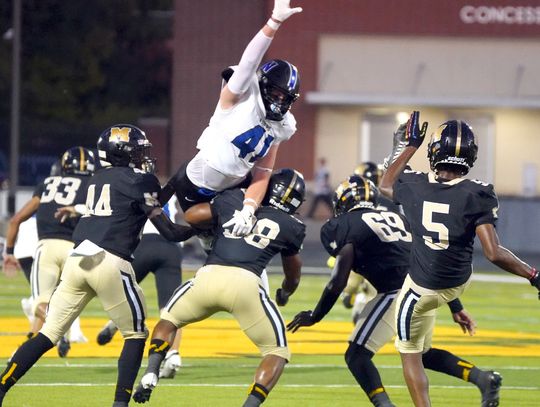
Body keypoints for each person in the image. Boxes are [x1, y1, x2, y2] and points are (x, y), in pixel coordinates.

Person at [0, 124, 194, 407]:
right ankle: (119, 404)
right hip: (110, 260)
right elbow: (168, 231)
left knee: (47, 334)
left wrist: (173, 184)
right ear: (123, 153)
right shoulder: (141, 181)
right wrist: (201, 231)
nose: (143, 156)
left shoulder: (95, 179)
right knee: (135, 334)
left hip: (77, 261)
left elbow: (137, 202)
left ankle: (3, 386)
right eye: (138, 151)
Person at [287, 174, 501, 407]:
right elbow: (426, 259)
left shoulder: (342, 224)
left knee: (357, 355)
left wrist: (315, 315)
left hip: (396, 294)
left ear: (342, 203)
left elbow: (338, 281)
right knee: (420, 354)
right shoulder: (399, 218)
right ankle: (481, 377)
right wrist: (456, 306)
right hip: (425, 288)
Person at [378, 111, 540, 407]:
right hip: (455, 282)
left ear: (434, 150)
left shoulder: (415, 184)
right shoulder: (477, 193)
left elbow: (386, 184)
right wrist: (533, 275)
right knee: (422, 350)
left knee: (409, 354)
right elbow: (493, 252)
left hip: (420, 289)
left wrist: (408, 146)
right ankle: (482, 378)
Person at [132, 168, 306, 407]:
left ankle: (152, 371)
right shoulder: (292, 225)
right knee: (277, 351)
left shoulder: (234, 199)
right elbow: (293, 274)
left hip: (209, 276)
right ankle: (250, 405)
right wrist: (285, 292)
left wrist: (214, 220)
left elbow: (193, 216)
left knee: (169, 318)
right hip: (246, 285)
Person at [159, 0, 302, 239]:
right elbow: (249, 62)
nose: (279, 101)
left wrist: (248, 209)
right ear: (263, 85)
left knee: (236, 239)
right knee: (186, 232)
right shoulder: (242, 96)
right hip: (195, 183)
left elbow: (263, 171)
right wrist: (273, 22)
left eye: (285, 97)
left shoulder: (284, 125)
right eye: (275, 93)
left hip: (235, 187)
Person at [2, 147, 95, 356]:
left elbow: (17, 219)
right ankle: (59, 330)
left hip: (48, 248)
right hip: (76, 250)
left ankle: (57, 330)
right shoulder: (91, 185)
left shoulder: (46, 184)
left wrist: (8, 252)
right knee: (69, 299)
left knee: (39, 303)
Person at [97, 161, 184, 379]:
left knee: (123, 292)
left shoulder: (131, 187)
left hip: (144, 245)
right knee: (172, 309)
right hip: (171, 249)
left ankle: (115, 322)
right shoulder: (166, 194)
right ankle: (173, 355)